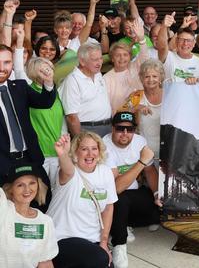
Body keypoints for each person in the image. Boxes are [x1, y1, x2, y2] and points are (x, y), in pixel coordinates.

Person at [47, 132, 117, 268]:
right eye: (84, 149)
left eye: (94, 148)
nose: (90, 154)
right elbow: (67, 169)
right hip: (62, 238)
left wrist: (103, 242)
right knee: (99, 259)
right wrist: (63, 154)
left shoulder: (105, 172)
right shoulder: (71, 172)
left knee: (107, 264)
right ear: (75, 153)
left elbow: (108, 207)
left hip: (91, 239)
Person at [103, 111, 159, 268]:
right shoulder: (104, 145)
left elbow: (150, 171)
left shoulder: (140, 141)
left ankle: (125, 223)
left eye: (130, 129)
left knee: (157, 212)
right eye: (120, 128)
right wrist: (141, 162)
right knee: (120, 200)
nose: (125, 133)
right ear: (112, 129)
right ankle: (119, 245)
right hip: (113, 198)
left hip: (134, 194)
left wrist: (156, 194)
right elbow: (116, 188)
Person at [0, 42, 56, 183]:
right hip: (3, 165)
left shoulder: (20, 86)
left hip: (30, 158)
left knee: (43, 201)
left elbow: (44, 102)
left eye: (6, 62)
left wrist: (48, 82)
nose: (2, 68)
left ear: (12, 64)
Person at [1, 161, 58, 267]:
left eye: (32, 183)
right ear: (10, 189)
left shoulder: (45, 221)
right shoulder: (3, 210)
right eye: (20, 185)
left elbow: (45, 263)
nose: (27, 190)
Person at [59, 42, 112, 137]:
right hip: (87, 130)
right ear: (82, 61)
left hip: (107, 127)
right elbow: (71, 117)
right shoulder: (72, 80)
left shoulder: (98, 74)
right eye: (95, 59)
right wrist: (79, 140)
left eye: (100, 58)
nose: (99, 63)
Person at [121, 59, 165, 158]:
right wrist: (136, 108)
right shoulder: (135, 96)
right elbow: (119, 115)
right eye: (147, 76)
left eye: (154, 76)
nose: (150, 80)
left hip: (167, 150)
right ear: (141, 78)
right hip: (143, 150)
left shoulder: (169, 94)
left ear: (160, 78)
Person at [104, 20, 148, 114]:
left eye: (125, 55)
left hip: (140, 114)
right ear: (112, 58)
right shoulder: (106, 78)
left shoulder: (135, 67)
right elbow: (106, 104)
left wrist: (141, 39)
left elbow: (144, 57)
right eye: (118, 55)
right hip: (119, 118)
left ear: (130, 56)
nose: (122, 58)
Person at [157, 14, 199, 82]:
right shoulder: (168, 57)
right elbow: (162, 46)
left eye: (189, 41)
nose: (185, 43)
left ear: (194, 44)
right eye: (182, 40)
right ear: (176, 41)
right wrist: (164, 26)